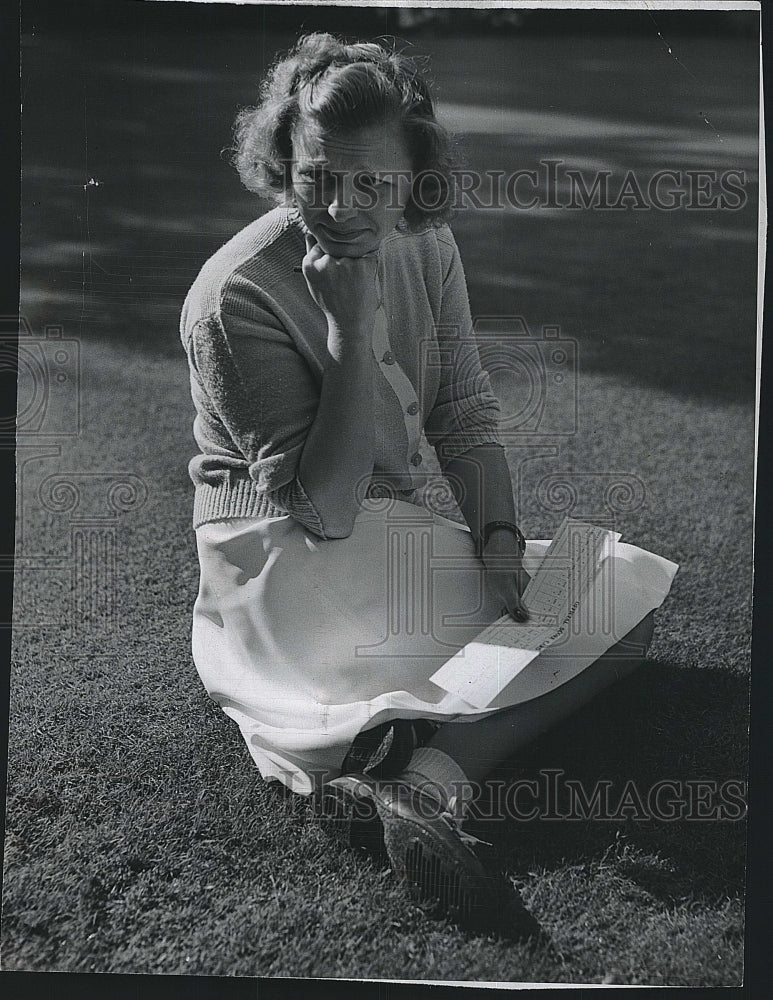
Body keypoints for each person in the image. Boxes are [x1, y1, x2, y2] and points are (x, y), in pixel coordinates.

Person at [180, 33, 676, 934]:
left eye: (372, 183)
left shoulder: (427, 244)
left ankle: (400, 769)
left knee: (625, 600)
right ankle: (428, 779)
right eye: (315, 177)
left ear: (414, 179)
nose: (341, 207)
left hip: (383, 543)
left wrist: (496, 546)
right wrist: (344, 327)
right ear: (282, 163)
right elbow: (322, 509)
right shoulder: (232, 295)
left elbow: (463, 417)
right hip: (284, 567)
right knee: (593, 622)